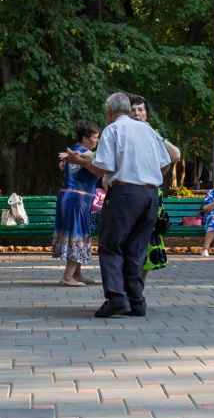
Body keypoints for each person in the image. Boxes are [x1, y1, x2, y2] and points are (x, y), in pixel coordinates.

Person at [63, 92, 173, 318]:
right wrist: (146, 176)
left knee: (111, 246)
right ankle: (136, 301)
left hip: (125, 194)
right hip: (150, 195)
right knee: (136, 248)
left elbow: (103, 167)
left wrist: (79, 161)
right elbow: (166, 162)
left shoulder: (113, 130)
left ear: (110, 111)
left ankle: (115, 298)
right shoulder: (148, 130)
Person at [128, 96, 175, 276]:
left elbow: (174, 156)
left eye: (141, 109)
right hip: (128, 194)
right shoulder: (121, 132)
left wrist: (155, 135)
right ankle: (128, 290)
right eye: (133, 110)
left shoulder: (155, 133)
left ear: (147, 114)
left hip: (151, 196)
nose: (137, 113)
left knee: (148, 243)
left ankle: (138, 290)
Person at [53, 120, 101, 287]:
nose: (97, 141)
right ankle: (67, 277)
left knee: (77, 232)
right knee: (77, 234)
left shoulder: (74, 151)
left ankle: (77, 274)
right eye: (95, 138)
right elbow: (93, 158)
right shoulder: (82, 153)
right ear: (85, 138)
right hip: (77, 199)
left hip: (73, 198)